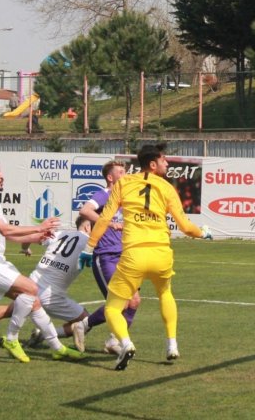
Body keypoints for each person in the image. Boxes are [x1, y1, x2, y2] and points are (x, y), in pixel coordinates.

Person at [85, 143, 212, 370]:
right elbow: (185, 226)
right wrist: (203, 233)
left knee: (113, 308)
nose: (167, 163)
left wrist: (89, 247)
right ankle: (172, 344)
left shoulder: (123, 183)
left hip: (134, 254)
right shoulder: (167, 188)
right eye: (164, 160)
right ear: (152, 164)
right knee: (165, 293)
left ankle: (125, 344)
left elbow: (104, 219)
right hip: (162, 253)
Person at [0, 158, 84, 363]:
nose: (2, 176)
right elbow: (6, 230)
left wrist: (35, 237)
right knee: (32, 289)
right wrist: (39, 227)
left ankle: (57, 348)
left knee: (32, 301)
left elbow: (8, 236)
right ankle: (11, 338)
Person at [0, 216, 94, 352]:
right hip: (52, 295)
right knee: (86, 320)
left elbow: (33, 236)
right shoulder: (91, 243)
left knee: (8, 310)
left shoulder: (60, 234)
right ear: (87, 227)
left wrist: (25, 248)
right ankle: (43, 335)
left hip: (32, 283)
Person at [78, 160, 137, 355]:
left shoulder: (125, 198)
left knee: (134, 301)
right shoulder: (104, 194)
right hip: (105, 256)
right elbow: (85, 210)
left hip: (125, 257)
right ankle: (88, 328)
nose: (125, 175)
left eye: (125, 171)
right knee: (121, 301)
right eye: (121, 172)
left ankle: (110, 339)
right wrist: (109, 223)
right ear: (110, 177)